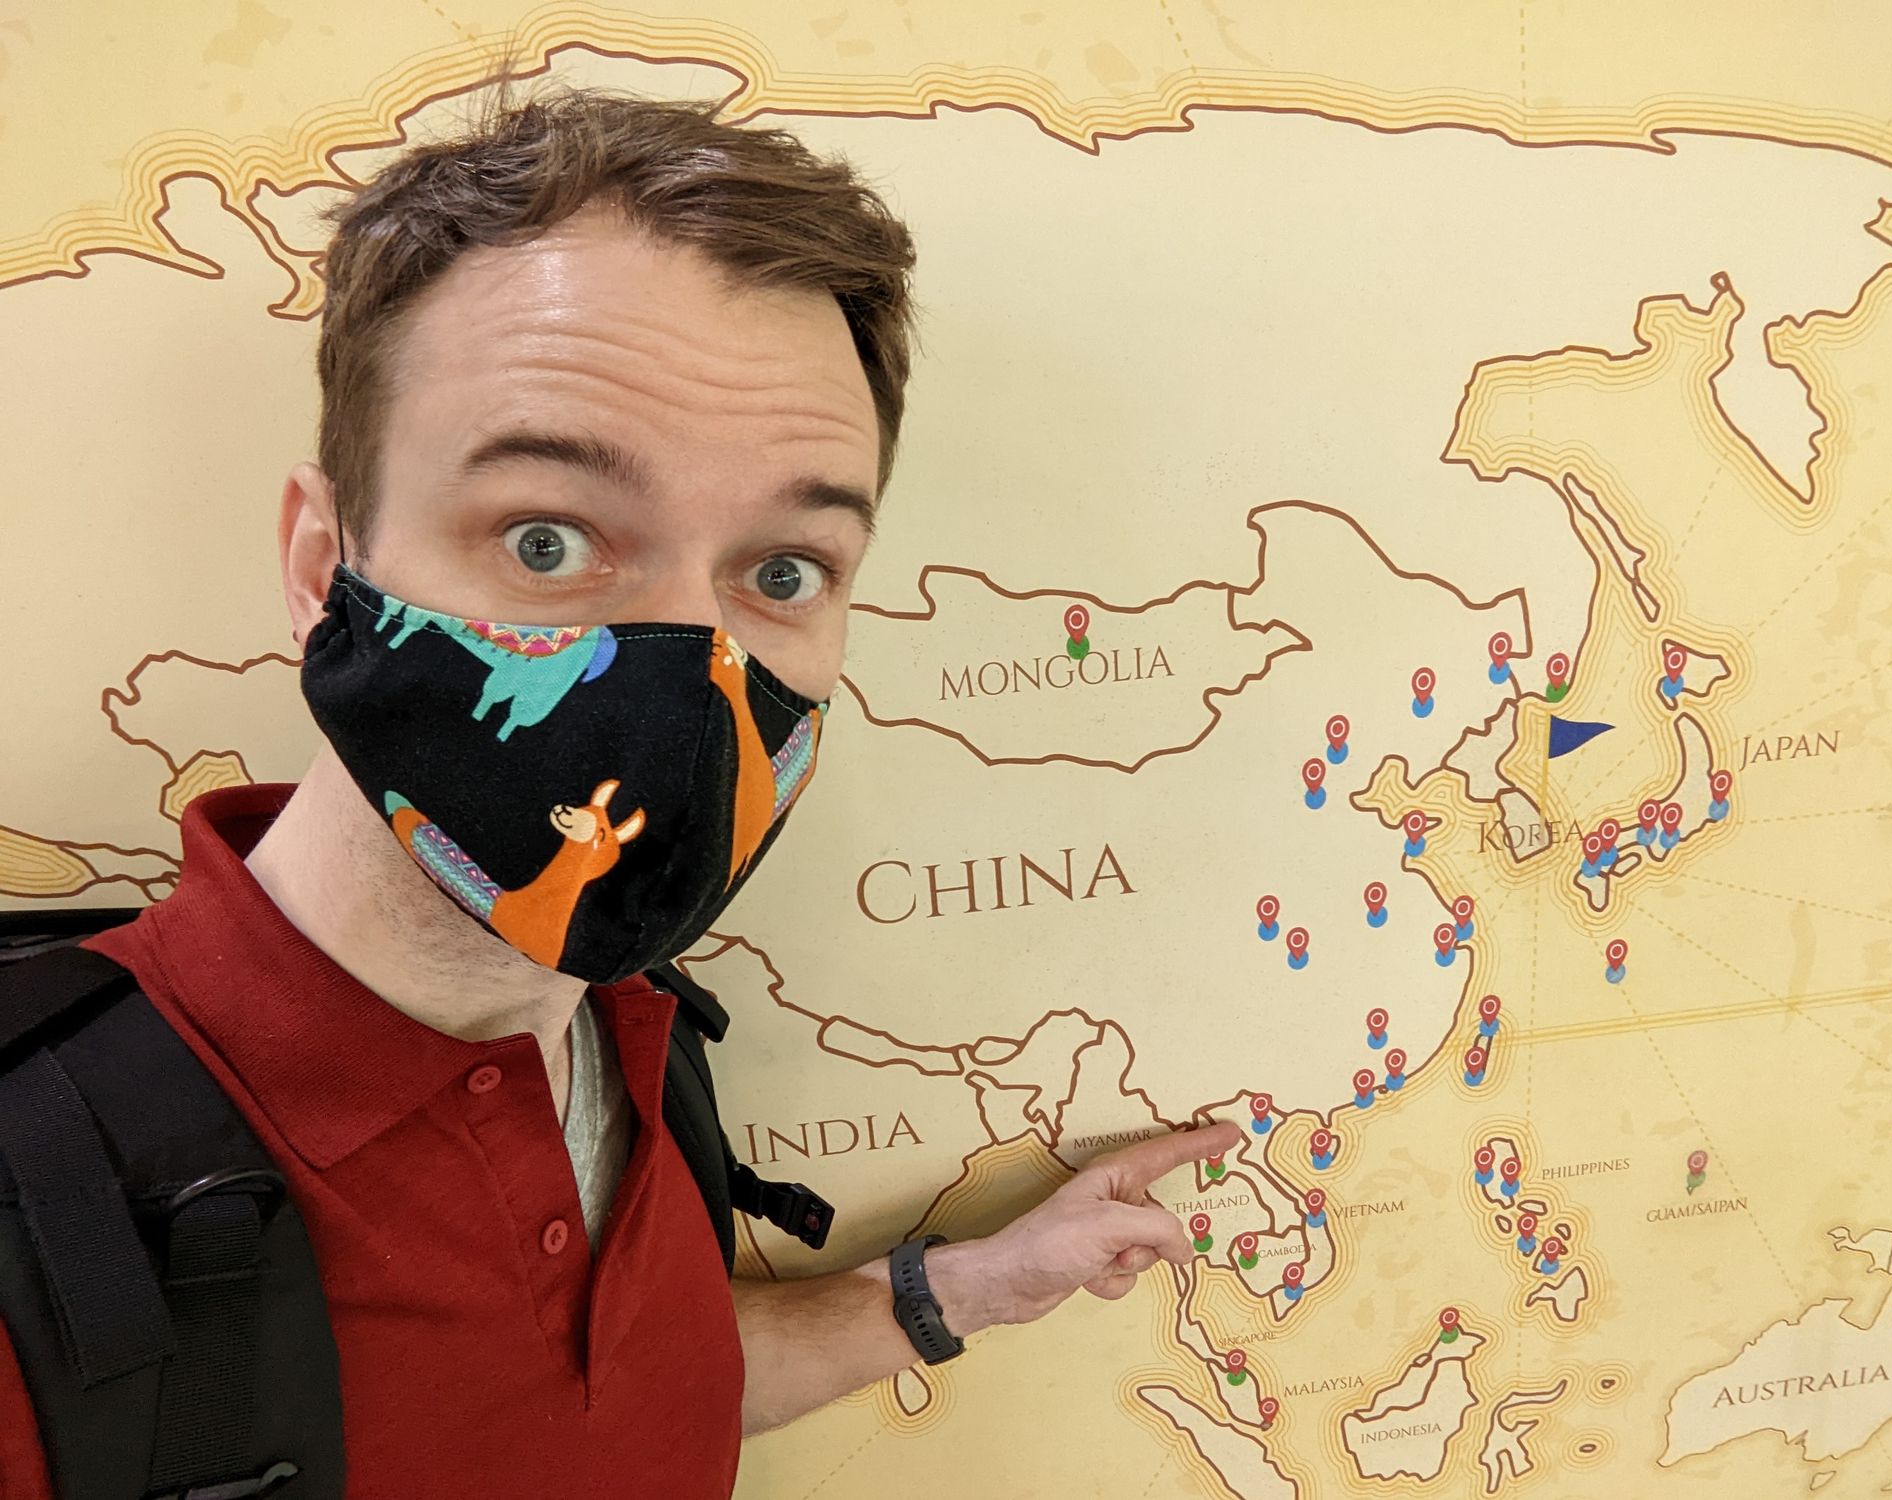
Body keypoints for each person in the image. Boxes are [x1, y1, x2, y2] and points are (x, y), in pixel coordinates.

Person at [0, 88, 1240, 1497]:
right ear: (321, 567)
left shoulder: (635, 1025)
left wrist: (970, 1285)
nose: (690, 671)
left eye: (782, 571)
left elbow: (634, 1386)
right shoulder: (40, 1208)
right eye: (547, 538)